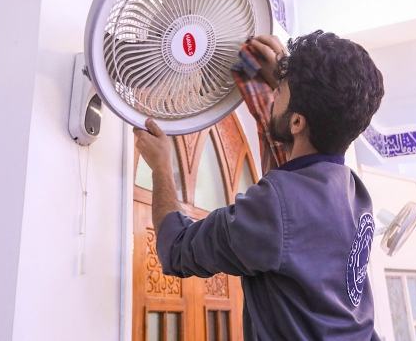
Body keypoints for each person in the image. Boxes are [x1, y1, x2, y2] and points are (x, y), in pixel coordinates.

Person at [133, 30, 384, 340]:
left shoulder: (276, 206)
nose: (274, 93)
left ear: (297, 122)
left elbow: (176, 248)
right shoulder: (356, 194)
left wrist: (161, 166)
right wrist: (287, 78)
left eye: (281, 91)